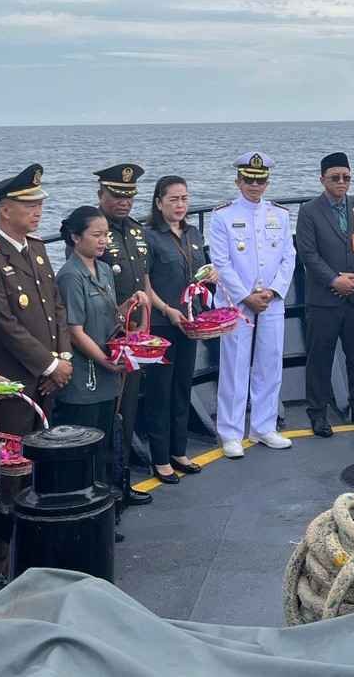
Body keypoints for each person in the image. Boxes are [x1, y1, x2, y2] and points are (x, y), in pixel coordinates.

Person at [0, 165, 71, 592]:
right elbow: (5, 324)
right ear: (5, 209)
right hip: (13, 385)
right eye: (29, 205)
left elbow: (55, 306)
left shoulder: (36, 248)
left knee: (37, 465)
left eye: (39, 204)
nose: (38, 211)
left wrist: (61, 358)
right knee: (5, 472)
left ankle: (32, 547)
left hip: (46, 377)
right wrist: (49, 366)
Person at [207, 152, 296, 458]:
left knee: (270, 363)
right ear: (238, 181)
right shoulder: (223, 216)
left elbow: (288, 257)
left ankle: (263, 426)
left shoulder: (279, 215)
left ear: (267, 183)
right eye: (249, 180)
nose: (254, 186)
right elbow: (221, 262)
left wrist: (273, 290)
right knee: (234, 366)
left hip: (270, 300)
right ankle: (231, 433)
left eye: (260, 181)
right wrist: (246, 296)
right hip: (236, 303)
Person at [296, 152, 354, 436]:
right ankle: (318, 412)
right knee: (320, 358)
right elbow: (308, 253)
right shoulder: (309, 211)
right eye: (335, 177)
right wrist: (334, 280)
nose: (341, 182)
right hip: (324, 300)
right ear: (322, 179)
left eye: (346, 177)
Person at [93, 163, 157, 508]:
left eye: (129, 196)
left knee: (128, 411)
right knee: (109, 415)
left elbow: (143, 279)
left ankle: (123, 482)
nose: (124, 202)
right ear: (101, 194)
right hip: (108, 335)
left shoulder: (135, 230)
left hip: (135, 337)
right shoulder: (93, 232)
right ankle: (106, 491)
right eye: (117, 195)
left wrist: (145, 323)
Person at [142, 176, 212, 482]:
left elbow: (199, 273)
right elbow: (145, 283)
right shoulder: (149, 237)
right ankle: (160, 458)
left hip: (190, 322)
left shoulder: (193, 233)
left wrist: (210, 276)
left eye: (184, 198)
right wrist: (166, 310)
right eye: (173, 199)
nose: (180, 205)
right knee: (160, 391)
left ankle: (178, 450)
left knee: (182, 387)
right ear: (159, 203)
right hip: (162, 324)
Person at [54, 207, 125, 490]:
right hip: (87, 377)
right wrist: (106, 361)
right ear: (75, 237)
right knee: (85, 444)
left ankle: (105, 498)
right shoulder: (70, 276)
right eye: (96, 235)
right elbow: (74, 330)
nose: (103, 240)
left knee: (105, 442)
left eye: (106, 234)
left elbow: (111, 315)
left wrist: (134, 304)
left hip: (108, 372)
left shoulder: (104, 270)